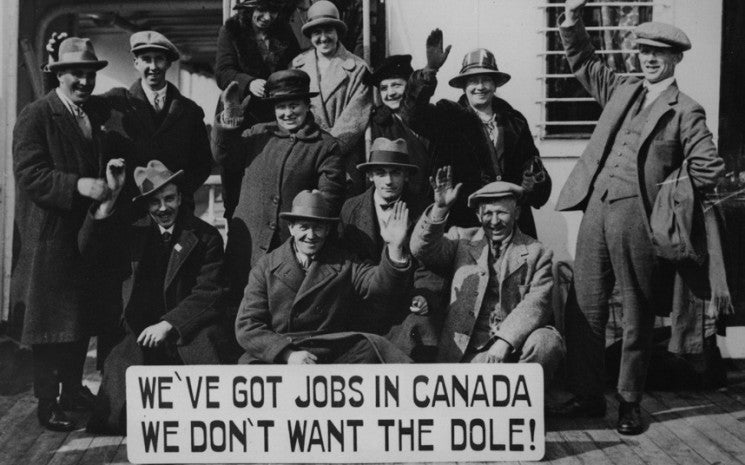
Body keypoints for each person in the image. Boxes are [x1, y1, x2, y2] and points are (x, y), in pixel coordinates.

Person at [548, 0, 725, 435]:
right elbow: (585, 63)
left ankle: (629, 401)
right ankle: (589, 395)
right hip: (597, 205)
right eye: (644, 51)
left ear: (675, 59)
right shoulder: (623, 88)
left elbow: (708, 167)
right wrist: (571, 19)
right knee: (583, 305)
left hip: (637, 217)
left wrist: (666, 199)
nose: (649, 58)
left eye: (658, 53)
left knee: (636, 311)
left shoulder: (687, 110)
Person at [80, 159, 232, 434]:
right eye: (155, 202)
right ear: (145, 205)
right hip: (140, 331)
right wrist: (110, 197)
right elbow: (90, 247)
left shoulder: (205, 235)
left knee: (211, 409)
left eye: (170, 198)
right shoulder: (131, 233)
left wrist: (169, 324)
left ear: (181, 197)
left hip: (188, 329)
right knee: (116, 416)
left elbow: (210, 292)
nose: (163, 208)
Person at [12, 37, 111, 431]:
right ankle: (45, 402)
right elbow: (29, 174)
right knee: (49, 327)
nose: (84, 81)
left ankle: (72, 390)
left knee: (77, 320)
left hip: (83, 237)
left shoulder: (91, 115)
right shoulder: (37, 115)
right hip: (50, 236)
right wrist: (79, 186)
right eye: (76, 74)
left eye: (89, 74)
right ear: (59, 75)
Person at [410, 167, 564, 378]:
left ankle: (522, 404)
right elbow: (421, 249)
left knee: (547, 341)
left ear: (517, 213)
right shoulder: (461, 240)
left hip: (514, 353)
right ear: (477, 215)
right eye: (488, 213)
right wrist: (440, 208)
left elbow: (538, 302)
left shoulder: (538, 252)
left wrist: (505, 341)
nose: (494, 221)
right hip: (470, 355)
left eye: (501, 212)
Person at [212, 69, 346, 306]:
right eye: (281, 107)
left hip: (290, 251)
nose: (287, 113)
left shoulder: (325, 146)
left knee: (282, 313)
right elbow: (224, 157)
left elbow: (328, 199)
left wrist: (305, 238)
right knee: (239, 311)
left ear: (307, 105)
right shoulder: (258, 133)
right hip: (247, 247)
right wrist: (229, 124)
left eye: (294, 105)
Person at [235, 189, 414, 364]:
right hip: (282, 352)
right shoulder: (266, 266)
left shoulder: (345, 262)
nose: (311, 236)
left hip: (329, 350)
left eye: (318, 227)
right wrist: (288, 355)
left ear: (328, 230)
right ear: (291, 228)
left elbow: (378, 286)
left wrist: (394, 247)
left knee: (370, 352)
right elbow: (247, 325)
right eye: (304, 227)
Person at [402, 30, 551, 235]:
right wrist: (429, 71)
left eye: (486, 80)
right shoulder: (448, 117)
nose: (480, 87)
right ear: (463, 86)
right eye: (473, 80)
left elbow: (533, 167)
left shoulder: (514, 122)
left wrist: (533, 183)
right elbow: (412, 114)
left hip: (510, 224)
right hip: (464, 223)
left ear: (495, 84)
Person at [45, 31, 212, 212]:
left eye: (159, 59)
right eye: (146, 59)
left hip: (173, 212)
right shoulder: (114, 102)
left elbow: (202, 164)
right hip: (129, 217)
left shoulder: (190, 111)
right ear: (136, 63)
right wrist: (55, 68)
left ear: (169, 63)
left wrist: (176, 193)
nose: (153, 66)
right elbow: (67, 104)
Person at [340, 137, 444, 360]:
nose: (388, 180)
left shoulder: (421, 209)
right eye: (381, 173)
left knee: (422, 333)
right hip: (363, 306)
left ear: (406, 175)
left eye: (396, 172)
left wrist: (424, 294)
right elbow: (347, 263)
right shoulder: (349, 210)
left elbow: (430, 262)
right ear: (369, 176)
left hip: (405, 307)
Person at [215, 0, 301, 218]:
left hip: (273, 116)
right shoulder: (231, 30)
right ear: (249, 9)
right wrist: (248, 82)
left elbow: (294, 64)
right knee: (236, 186)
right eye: (261, 10)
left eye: (273, 10)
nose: (267, 16)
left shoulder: (284, 32)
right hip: (240, 114)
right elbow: (223, 72)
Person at [292, 0, 372, 193]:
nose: (323, 38)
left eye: (329, 31)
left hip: (344, 160)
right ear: (310, 36)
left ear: (338, 32)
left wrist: (328, 151)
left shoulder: (358, 68)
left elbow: (354, 119)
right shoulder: (297, 66)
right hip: (305, 156)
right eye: (317, 33)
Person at [368, 54, 432, 197]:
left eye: (396, 85)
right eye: (384, 88)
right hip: (404, 203)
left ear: (409, 86)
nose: (390, 93)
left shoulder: (430, 115)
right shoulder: (378, 125)